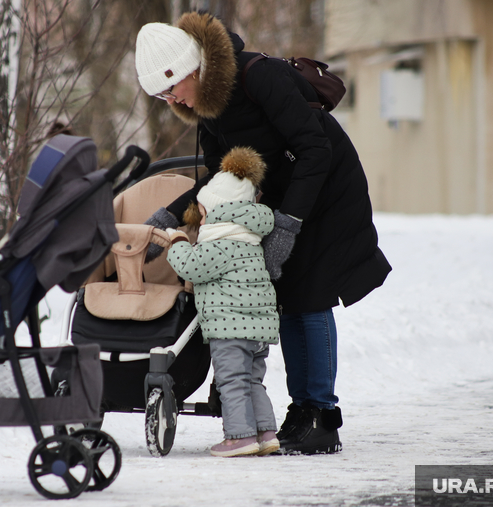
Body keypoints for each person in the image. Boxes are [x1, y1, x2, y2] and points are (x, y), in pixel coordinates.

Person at [135, 12, 392, 455]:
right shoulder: (209, 110)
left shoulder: (261, 77)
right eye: (160, 95)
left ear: (190, 69)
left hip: (327, 190)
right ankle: (301, 412)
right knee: (287, 295)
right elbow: (221, 175)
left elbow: (316, 149)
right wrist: (173, 213)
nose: (169, 99)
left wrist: (288, 226)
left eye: (170, 87)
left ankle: (321, 415)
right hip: (282, 198)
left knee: (310, 295)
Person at [165, 146, 280, 457]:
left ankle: (239, 437)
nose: (200, 220)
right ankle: (266, 433)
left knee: (232, 382)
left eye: (202, 213)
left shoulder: (219, 243)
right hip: (258, 330)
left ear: (218, 210)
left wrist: (177, 242)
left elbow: (190, 266)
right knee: (253, 381)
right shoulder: (248, 240)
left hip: (230, 330)